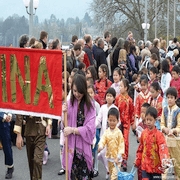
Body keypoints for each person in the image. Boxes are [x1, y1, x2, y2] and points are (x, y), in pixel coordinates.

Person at [63, 74, 96, 180]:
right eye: (74, 91)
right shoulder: (69, 104)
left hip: (83, 149)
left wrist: (73, 130)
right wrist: (63, 113)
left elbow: (90, 129)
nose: (77, 94)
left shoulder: (90, 105)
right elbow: (64, 126)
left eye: (79, 91)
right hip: (71, 148)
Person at [135, 107, 169, 180]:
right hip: (145, 166)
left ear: (155, 120)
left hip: (156, 168)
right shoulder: (143, 133)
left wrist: (165, 161)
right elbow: (141, 148)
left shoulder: (159, 135)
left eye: (151, 120)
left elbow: (163, 148)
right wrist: (138, 160)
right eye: (147, 119)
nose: (148, 122)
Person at [14, 115, 51, 180]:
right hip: (29, 129)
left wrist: (49, 124)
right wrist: (18, 135)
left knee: (37, 160)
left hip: (41, 129)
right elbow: (19, 114)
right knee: (31, 162)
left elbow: (49, 106)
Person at [96, 87, 118, 179]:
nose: (109, 98)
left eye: (111, 96)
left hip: (112, 135)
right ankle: (108, 169)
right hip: (103, 135)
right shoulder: (103, 107)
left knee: (109, 155)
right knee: (101, 154)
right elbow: (98, 119)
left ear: (114, 98)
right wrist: (92, 126)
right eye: (107, 96)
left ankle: (112, 171)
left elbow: (118, 121)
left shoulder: (115, 108)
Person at [98, 108, 124, 180]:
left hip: (117, 160)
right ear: (107, 120)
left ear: (117, 121)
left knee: (114, 177)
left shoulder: (119, 133)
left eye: (114, 121)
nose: (112, 122)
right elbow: (103, 139)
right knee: (111, 174)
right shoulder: (106, 131)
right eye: (110, 120)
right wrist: (101, 146)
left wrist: (118, 157)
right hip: (109, 158)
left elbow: (121, 146)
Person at [115, 78, 134, 171]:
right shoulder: (117, 98)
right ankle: (118, 158)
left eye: (121, 86)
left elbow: (131, 113)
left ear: (126, 88)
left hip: (126, 124)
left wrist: (133, 123)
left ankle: (124, 159)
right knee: (118, 140)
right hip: (118, 123)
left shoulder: (129, 100)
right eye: (119, 86)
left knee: (125, 141)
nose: (120, 88)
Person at [161, 87, 180, 178]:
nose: (169, 99)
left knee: (177, 163)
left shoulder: (178, 111)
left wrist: (173, 130)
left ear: (175, 98)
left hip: (176, 141)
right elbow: (161, 124)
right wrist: (164, 129)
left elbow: (179, 126)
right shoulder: (164, 109)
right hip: (165, 140)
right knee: (165, 162)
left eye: (171, 97)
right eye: (168, 97)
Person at [87, 85, 100, 177]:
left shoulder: (96, 105)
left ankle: (96, 168)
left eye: (91, 93)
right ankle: (89, 167)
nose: (90, 95)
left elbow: (99, 118)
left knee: (95, 150)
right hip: (87, 130)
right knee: (88, 149)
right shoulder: (85, 104)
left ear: (94, 94)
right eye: (88, 93)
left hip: (95, 130)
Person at [135, 103, 150, 180]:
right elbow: (138, 139)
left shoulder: (151, 125)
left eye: (144, 112)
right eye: (141, 112)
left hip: (150, 151)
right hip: (142, 150)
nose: (142, 114)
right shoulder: (140, 124)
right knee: (140, 169)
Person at [0, 112, 14, 179]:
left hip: (3, 124)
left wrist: (9, 114)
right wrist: (3, 116)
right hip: (3, 118)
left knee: (7, 147)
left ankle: (10, 167)